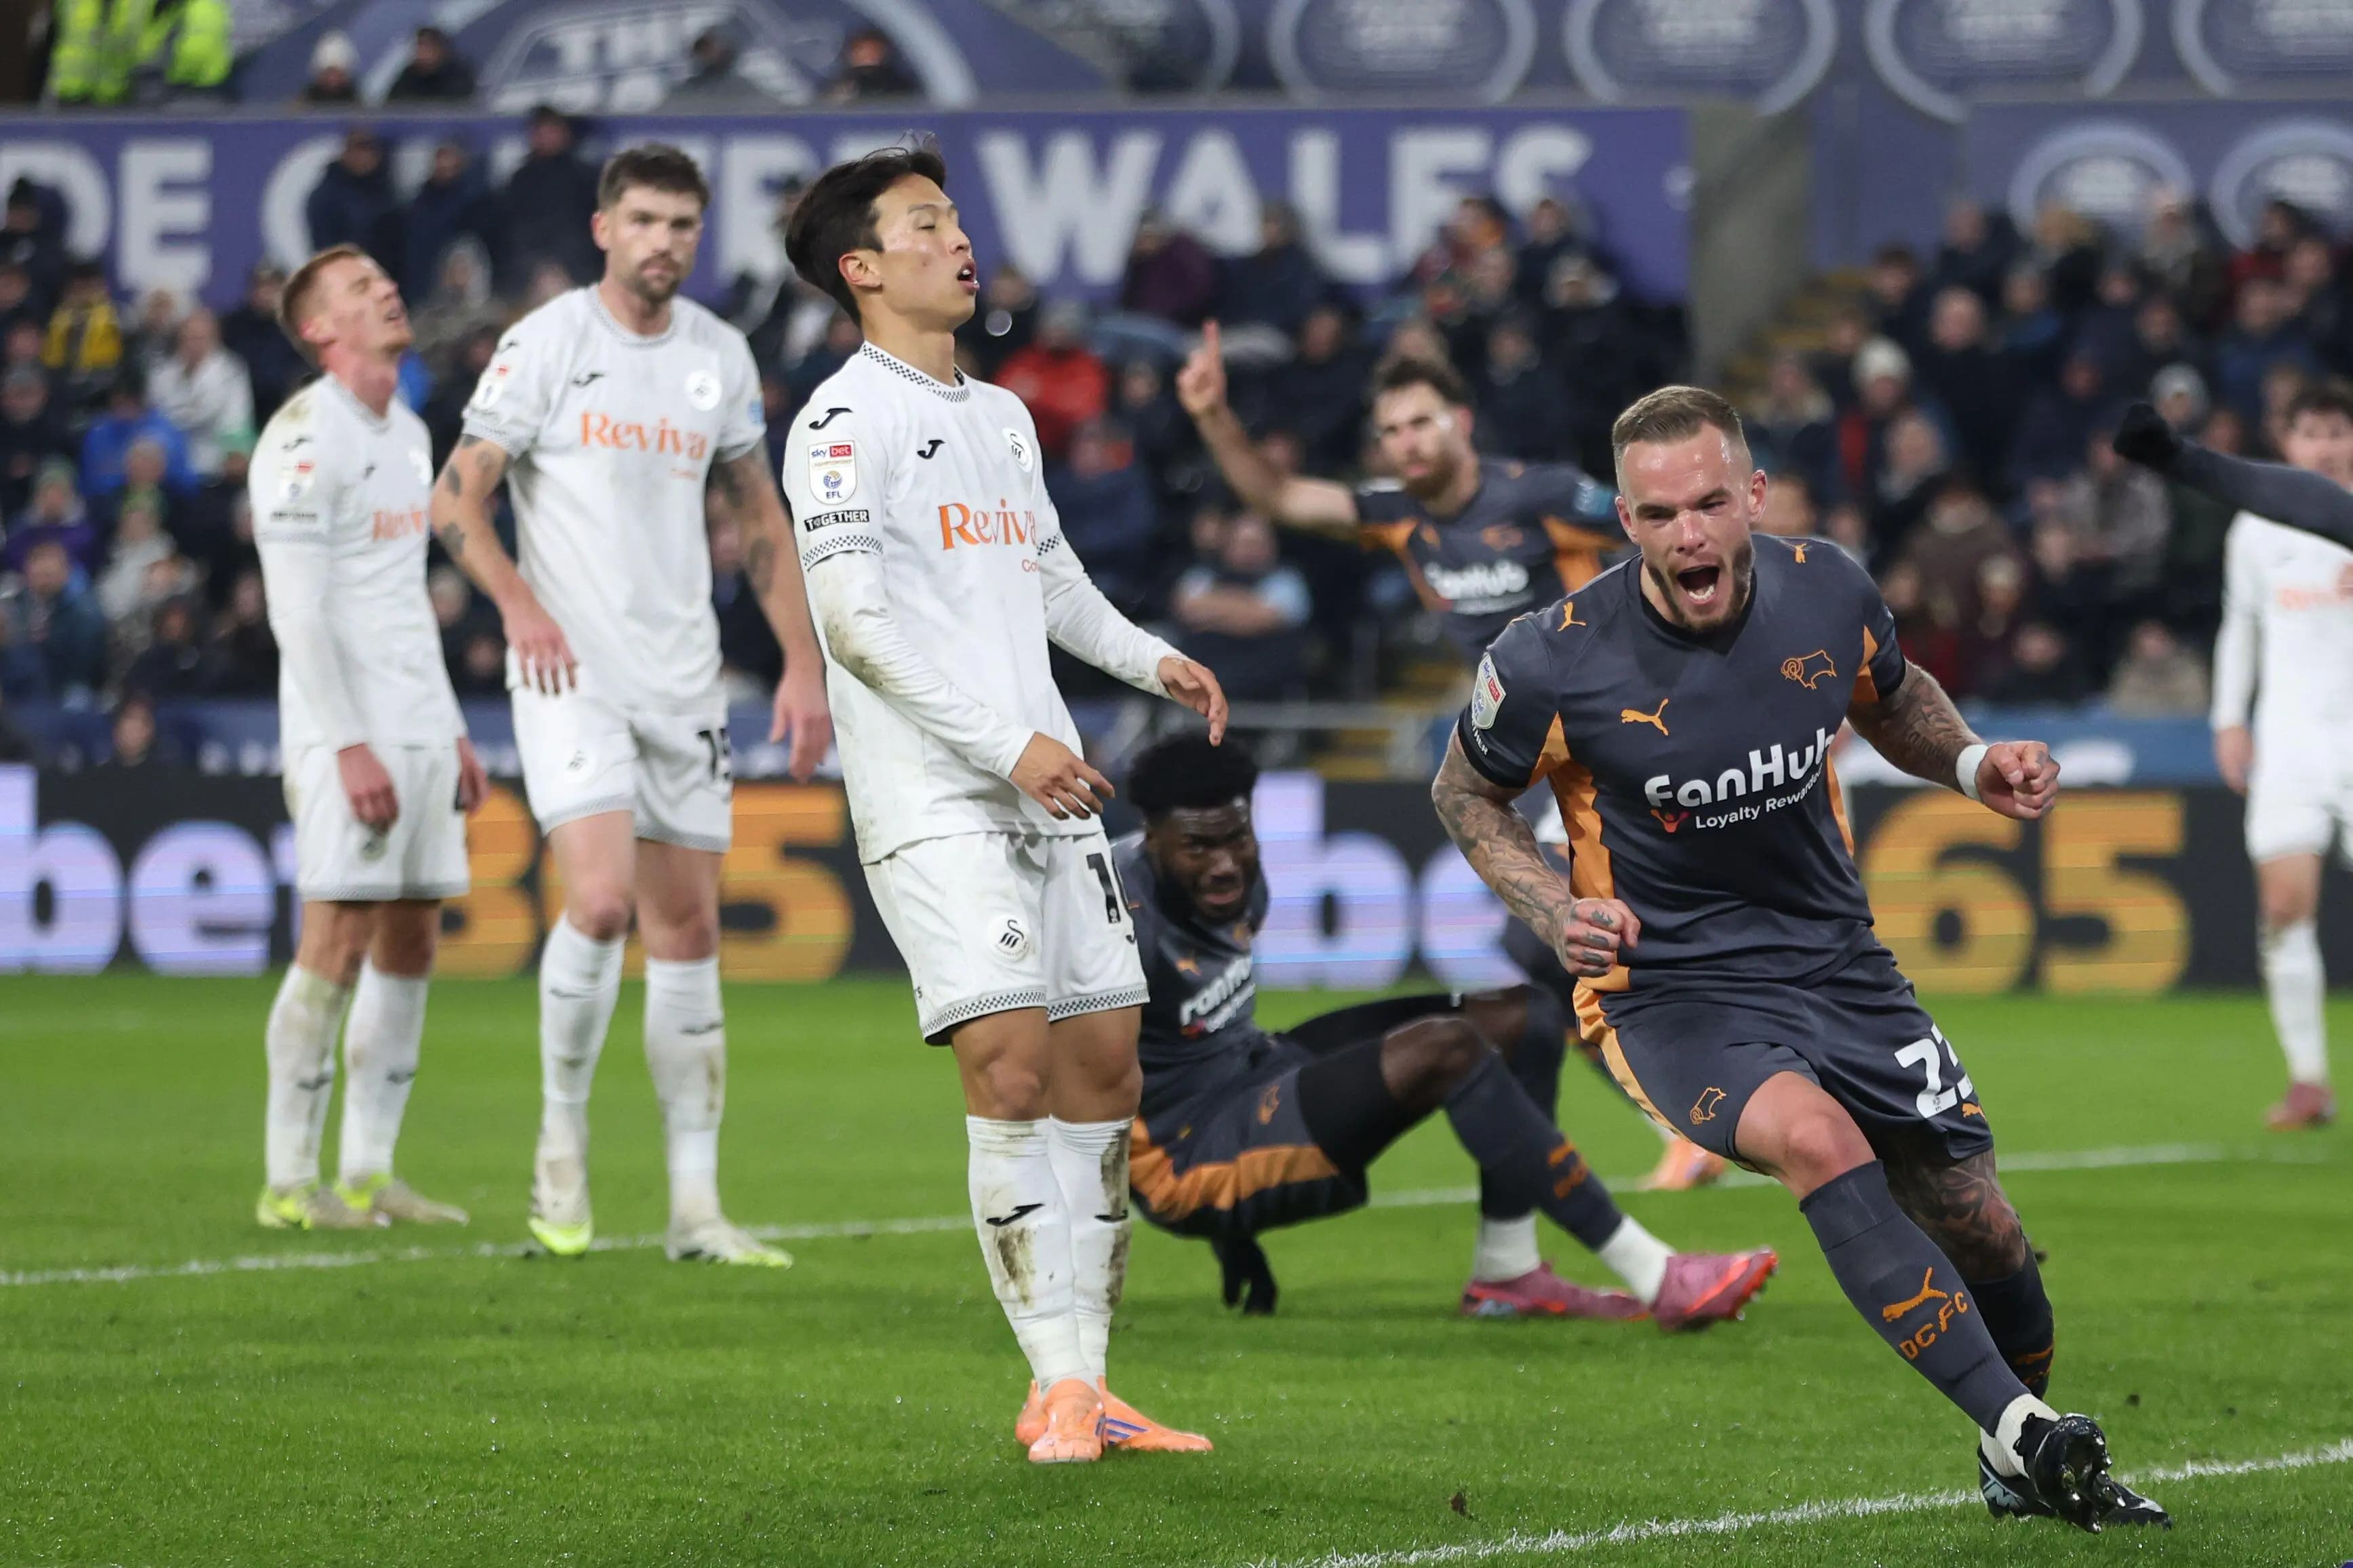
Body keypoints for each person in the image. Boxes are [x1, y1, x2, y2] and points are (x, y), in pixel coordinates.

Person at [1432, 384, 2169, 1533]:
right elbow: (1464, 789)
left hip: (1840, 966)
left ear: (1753, 498)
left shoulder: (1829, 585)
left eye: (1711, 503)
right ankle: (2029, 1435)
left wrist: (1973, 766)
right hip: (1669, 990)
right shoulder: (1549, 660)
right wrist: (1545, 905)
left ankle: (2010, 1441)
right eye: (1660, 513)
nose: (1689, 534)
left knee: (1983, 1223)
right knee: (1820, 1139)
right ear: (1625, 521)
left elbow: (1890, 692)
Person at [779, 142, 1229, 1463]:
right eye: (927, 224)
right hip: (939, 789)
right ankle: (1052, 1382)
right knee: (1013, 1066)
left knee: (1104, 1066)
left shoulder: (1001, 415)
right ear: (861, 267)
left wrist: (1153, 656)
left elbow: (1049, 583)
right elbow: (853, 624)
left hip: (1050, 786)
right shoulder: (839, 422)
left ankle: (1084, 1384)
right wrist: (1007, 743)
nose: (959, 243)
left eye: (957, 221)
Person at [1177, 330, 1723, 1193]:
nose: (1408, 442)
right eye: (1391, 431)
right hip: (1529, 765)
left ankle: (1705, 1097)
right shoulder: (1400, 514)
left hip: (1610, 746)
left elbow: (1665, 528)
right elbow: (1279, 494)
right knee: (1549, 948)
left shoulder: (1541, 495)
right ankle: (1686, 1114)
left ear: (1460, 421)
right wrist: (1210, 414)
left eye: (1421, 422)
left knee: (1548, 938)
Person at [430, 145, 832, 1266]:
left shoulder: (718, 355)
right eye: (645, 219)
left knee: (692, 931)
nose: (664, 241)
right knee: (600, 903)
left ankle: (697, 1210)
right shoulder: (549, 342)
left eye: (682, 225)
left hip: (683, 679)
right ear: (606, 228)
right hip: (571, 673)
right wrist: (517, 607)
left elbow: (762, 521)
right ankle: (560, 1142)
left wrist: (802, 665)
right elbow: (456, 494)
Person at [1118, 730, 1777, 1323]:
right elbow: (1072, 1094)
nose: (1225, 863)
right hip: (1187, 1159)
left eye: (1236, 837)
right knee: (1451, 1048)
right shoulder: (1115, 921)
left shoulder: (1238, 884)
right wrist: (1217, 1229)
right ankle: (1656, 1275)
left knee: (1522, 1016)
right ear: (1151, 841)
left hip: (1249, 1071)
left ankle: (1507, 1271)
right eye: (1198, 847)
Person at [244, 245, 488, 1232]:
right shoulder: (304, 437)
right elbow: (296, 612)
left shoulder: (411, 430)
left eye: (386, 280)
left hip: (419, 723)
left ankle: (368, 1171)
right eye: (359, 289)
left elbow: (399, 602)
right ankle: (287, 1181)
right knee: (335, 940)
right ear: (318, 329)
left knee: (413, 938)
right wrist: (347, 743)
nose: (387, 290)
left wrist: (452, 729)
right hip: (344, 726)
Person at [2121, 386, 2353, 1129]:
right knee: (2284, 907)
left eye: (2336, 431)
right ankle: (2308, 1078)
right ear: (2285, 441)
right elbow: (2240, 629)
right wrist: (2229, 720)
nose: (2323, 446)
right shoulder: (2257, 530)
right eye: (2308, 432)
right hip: (2289, 739)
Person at [386, 26, 476, 102]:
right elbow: (395, 103)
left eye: (427, 46)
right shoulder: (409, 75)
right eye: (420, 46)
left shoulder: (458, 75)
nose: (421, 51)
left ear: (439, 48)